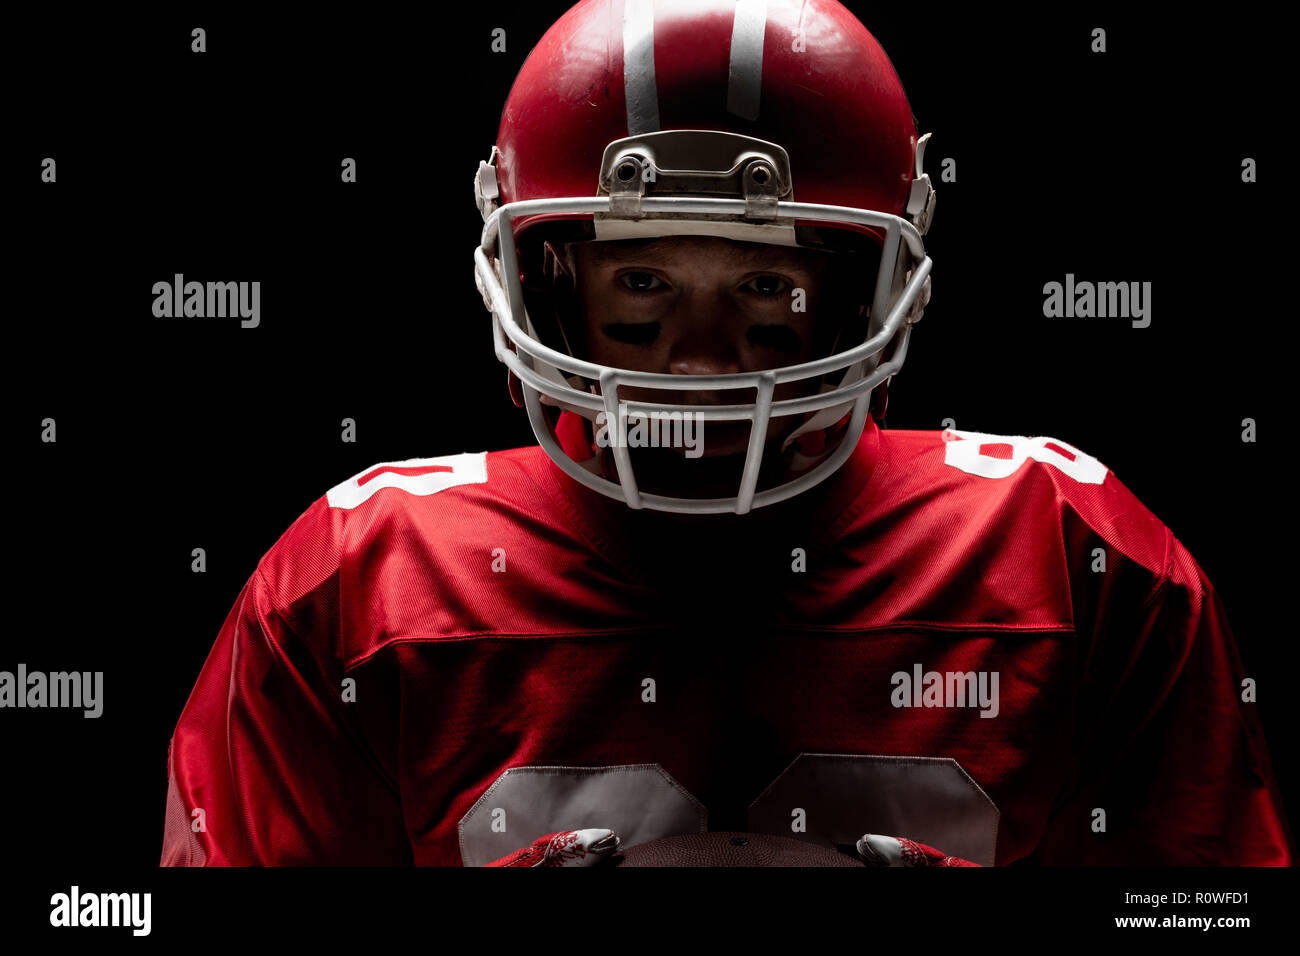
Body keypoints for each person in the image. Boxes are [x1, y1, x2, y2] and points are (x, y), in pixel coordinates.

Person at [161, 0, 1292, 866]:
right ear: (547, 281)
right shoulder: (358, 584)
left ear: (866, 285)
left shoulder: (1073, 554)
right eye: (642, 286)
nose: (699, 361)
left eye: (765, 287)